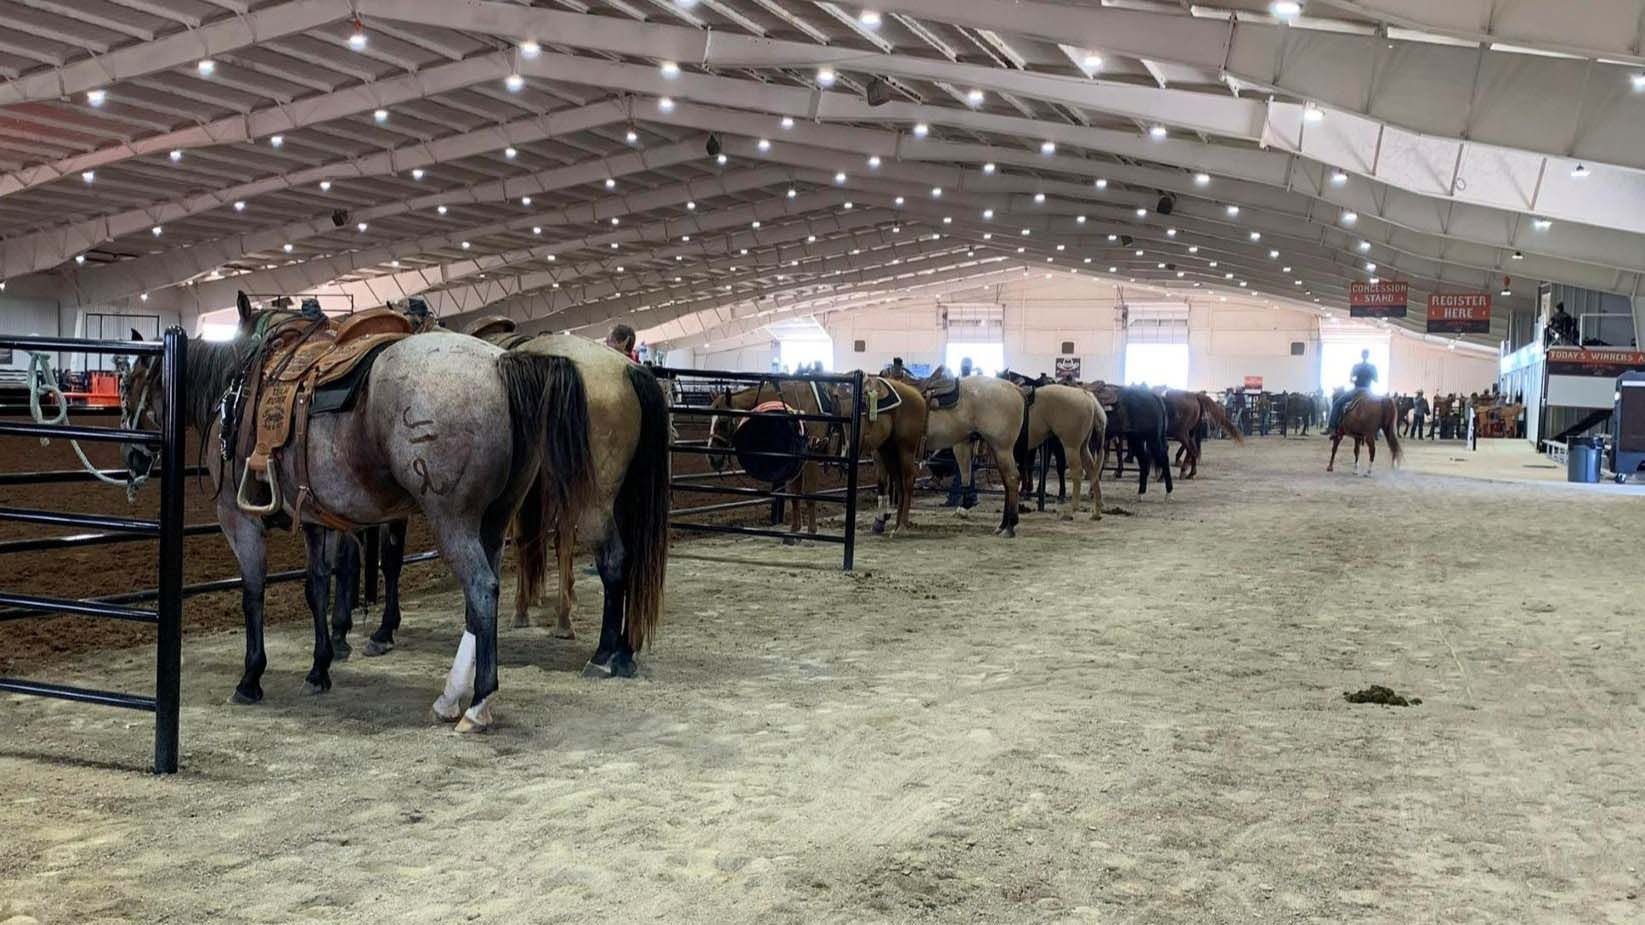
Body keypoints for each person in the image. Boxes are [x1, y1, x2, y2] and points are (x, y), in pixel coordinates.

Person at [1326, 349, 1378, 434]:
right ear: (1368, 356)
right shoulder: (1372, 367)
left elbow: (1351, 379)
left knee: (1337, 404)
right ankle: (1376, 431)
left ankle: (1331, 427)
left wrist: (1355, 380)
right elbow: (1376, 380)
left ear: (1362, 355)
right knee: (1376, 408)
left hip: (1357, 390)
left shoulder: (1356, 366)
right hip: (1368, 391)